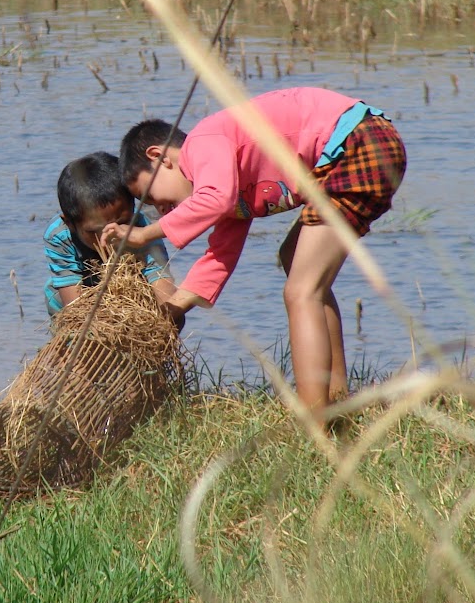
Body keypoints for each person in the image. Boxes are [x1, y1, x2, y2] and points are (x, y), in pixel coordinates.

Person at [99, 87, 406, 423]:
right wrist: (174, 307)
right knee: (297, 263)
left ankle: (314, 418)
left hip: (359, 143)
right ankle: (334, 399)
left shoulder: (203, 142)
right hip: (357, 153)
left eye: (150, 195)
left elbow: (214, 200)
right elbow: (220, 254)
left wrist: (143, 233)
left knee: (301, 291)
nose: (161, 209)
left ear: (160, 157)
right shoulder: (227, 189)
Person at [44, 151, 177, 318]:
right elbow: (73, 306)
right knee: (56, 300)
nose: (110, 236)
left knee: (175, 312)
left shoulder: (141, 227)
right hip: (82, 297)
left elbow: (162, 284)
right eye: (96, 231)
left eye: (122, 223)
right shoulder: (60, 235)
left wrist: (163, 321)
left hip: (134, 299)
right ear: (70, 223)